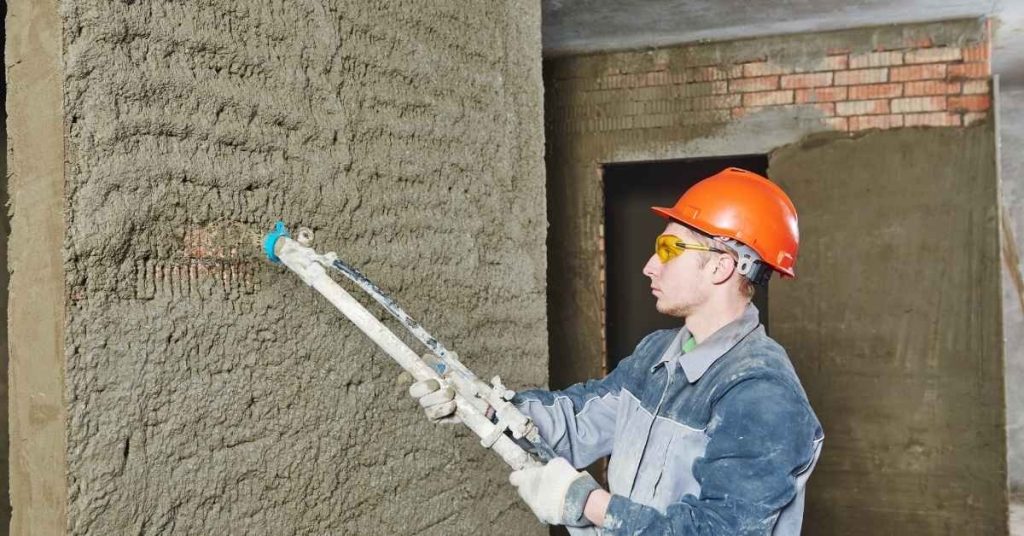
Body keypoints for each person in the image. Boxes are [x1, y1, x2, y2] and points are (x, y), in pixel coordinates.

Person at [410, 167, 824, 534]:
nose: (650, 265)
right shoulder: (658, 354)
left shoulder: (763, 394)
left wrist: (587, 503)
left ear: (721, 266)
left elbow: (719, 531)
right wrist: (483, 405)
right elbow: (578, 422)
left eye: (669, 249)